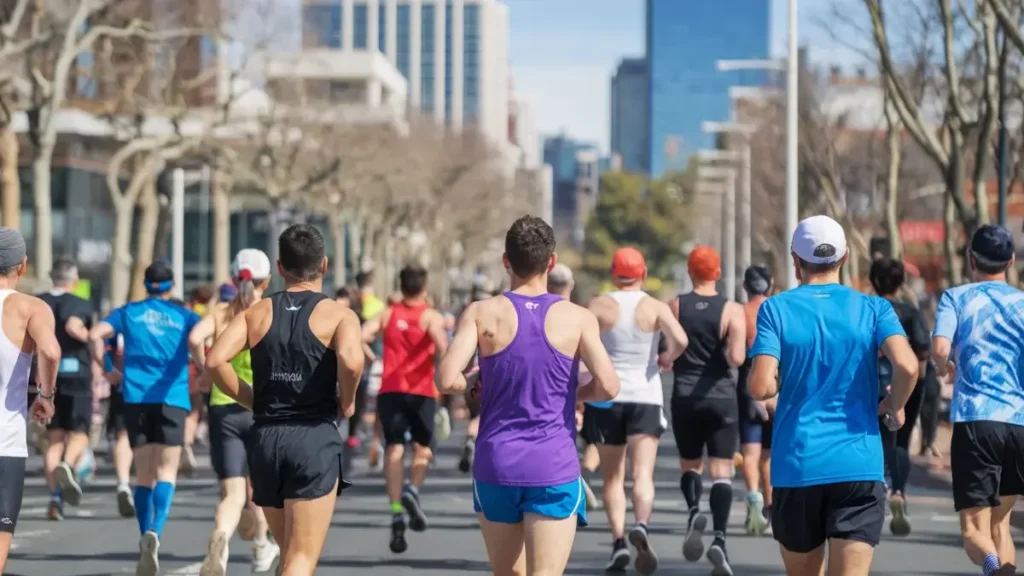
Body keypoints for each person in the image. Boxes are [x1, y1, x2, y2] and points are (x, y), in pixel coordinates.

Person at [437, 215, 621, 575]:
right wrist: (576, 393)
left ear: (506, 260)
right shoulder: (578, 318)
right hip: (553, 466)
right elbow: (610, 386)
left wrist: (471, 384)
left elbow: (446, 379)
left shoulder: (481, 313)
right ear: (551, 263)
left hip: (497, 463)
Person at [748, 215, 918, 576]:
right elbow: (908, 366)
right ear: (843, 260)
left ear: (796, 262)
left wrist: (784, 384)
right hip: (859, 464)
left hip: (798, 465)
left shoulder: (775, 309)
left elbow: (760, 387)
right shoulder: (874, 309)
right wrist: (893, 405)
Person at [205, 224, 364, 576]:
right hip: (312, 438)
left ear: (280, 267)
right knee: (300, 561)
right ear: (323, 265)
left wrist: (248, 398)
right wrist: (349, 401)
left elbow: (214, 359)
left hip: (266, 441)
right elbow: (353, 361)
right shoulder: (339, 315)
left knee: (289, 556)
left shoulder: (257, 313)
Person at [88, 261, 202, 576]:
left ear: (146, 284)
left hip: (135, 398)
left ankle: (143, 535)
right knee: (167, 471)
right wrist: (204, 367)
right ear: (172, 286)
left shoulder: (128, 312)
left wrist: (108, 367)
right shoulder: (185, 316)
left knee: (144, 475)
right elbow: (203, 337)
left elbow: (95, 334)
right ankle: (156, 531)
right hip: (172, 398)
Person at [588, 247, 688, 574]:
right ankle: (641, 525)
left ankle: (618, 542)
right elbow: (681, 340)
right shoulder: (654, 307)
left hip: (608, 395)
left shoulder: (600, 305)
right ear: (643, 273)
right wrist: (666, 358)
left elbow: (582, 344)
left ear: (613, 273)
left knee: (612, 477)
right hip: (646, 395)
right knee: (642, 474)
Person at [932, 224, 1024, 576]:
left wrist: (945, 366)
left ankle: (991, 567)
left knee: (973, 529)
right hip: (1018, 422)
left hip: (977, 421)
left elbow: (940, 347)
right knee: (1001, 524)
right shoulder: (1022, 303)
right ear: (1011, 261)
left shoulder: (956, 298)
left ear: (971, 259)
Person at [190, 250, 280, 575]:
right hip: (262, 408)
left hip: (224, 407)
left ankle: (222, 539)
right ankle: (261, 545)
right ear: (267, 280)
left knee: (233, 492)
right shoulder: (271, 312)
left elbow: (194, 338)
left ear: (233, 278)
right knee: (263, 487)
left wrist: (205, 369)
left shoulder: (220, 312)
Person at [360, 265, 448, 553]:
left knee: (395, 448)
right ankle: (413, 491)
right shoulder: (429, 316)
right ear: (423, 288)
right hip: (421, 392)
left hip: (391, 391)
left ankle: (397, 509)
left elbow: (361, 334)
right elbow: (443, 346)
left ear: (400, 286)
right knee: (423, 448)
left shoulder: (387, 314)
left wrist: (373, 358)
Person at [669, 246, 746, 575]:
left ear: (690, 271)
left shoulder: (676, 305)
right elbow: (738, 359)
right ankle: (719, 538)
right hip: (721, 397)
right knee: (722, 471)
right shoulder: (732, 310)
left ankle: (692, 511)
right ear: (717, 273)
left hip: (685, 395)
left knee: (690, 466)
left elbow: (671, 351)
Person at [0, 228, 60, 574]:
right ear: (22, 266)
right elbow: (50, 351)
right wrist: (45, 395)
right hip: (5, 442)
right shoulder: (30, 308)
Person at [869, 258, 931, 537]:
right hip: (906, 383)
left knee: (874, 437)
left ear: (873, 281)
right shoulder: (909, 312)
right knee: (902, 440)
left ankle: (876, 486)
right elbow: (923, 350)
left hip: (871, 382)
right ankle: (898, 493)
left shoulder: (866, 309)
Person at [36, 259, 99, 521]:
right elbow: (74, 326)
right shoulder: (80, 304)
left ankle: (54, 498)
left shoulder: (38, 303)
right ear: (73, 279)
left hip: (47, 376)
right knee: (80, 432)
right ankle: (69, 465)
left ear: (52, 278)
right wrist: (90, 339)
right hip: (77, 375)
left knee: (55, 439)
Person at [548, 264, 600, 512]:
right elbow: (604, 377)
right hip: (579, 384)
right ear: (570, 285)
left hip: (545, 393)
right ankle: (584, 477)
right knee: (593, 440)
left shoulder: (534, 315)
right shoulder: (580, 317)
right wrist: (584, 394)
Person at [737, 265, 775, 535]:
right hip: (775, 385)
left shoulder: (740, 313)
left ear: (745, 287)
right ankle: (772, 507)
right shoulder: (778, 310)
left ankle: (754, 498)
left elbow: (735, 356)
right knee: (769, 454)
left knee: (750, 451)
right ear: (769, 285)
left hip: (747, 385)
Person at [182, 285, 214, 476]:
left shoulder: (184, 312)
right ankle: (187, 442)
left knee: (185, 410)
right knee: (195, 409)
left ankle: (182, 444)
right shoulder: (204, 316)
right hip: (196, 366)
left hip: (180, 368)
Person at [103, 334, 136, 518]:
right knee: (155, 441)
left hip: (124, 384)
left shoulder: (121, 318)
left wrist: (109, 369)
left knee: (123, 435)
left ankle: (123, 483)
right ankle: (154, 489)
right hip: (159, 387)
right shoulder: (170, 315)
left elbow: (97, 339)